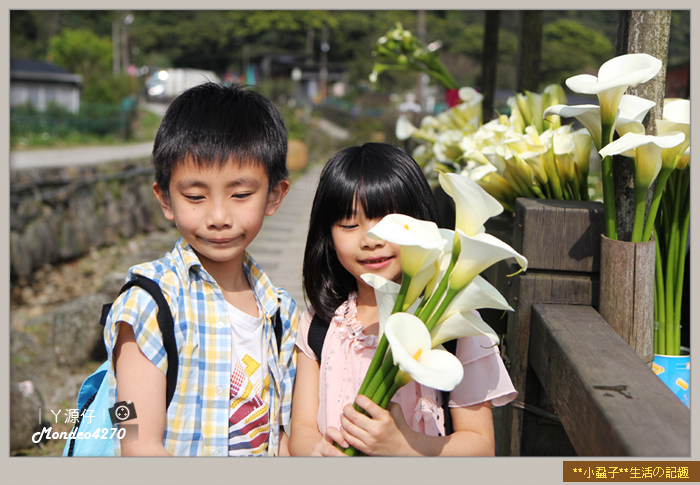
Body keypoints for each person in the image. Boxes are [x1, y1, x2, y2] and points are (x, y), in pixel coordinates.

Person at [103, 83, 298, 456]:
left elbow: (281, 438)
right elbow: (136, 443)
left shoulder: (282, 313)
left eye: (241, 195)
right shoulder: (148, 305)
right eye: (195, 197)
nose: (219, 217)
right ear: (165, 199)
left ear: (274, 195)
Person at [288, 143, 516, 456]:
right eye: (349, 225)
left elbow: (481, 445)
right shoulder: (320, 324)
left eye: (388, 223)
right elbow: (301, 428)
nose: (371, 241)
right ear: (327, 235)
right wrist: (316, 454)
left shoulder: (454, 323)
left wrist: (403, 447)